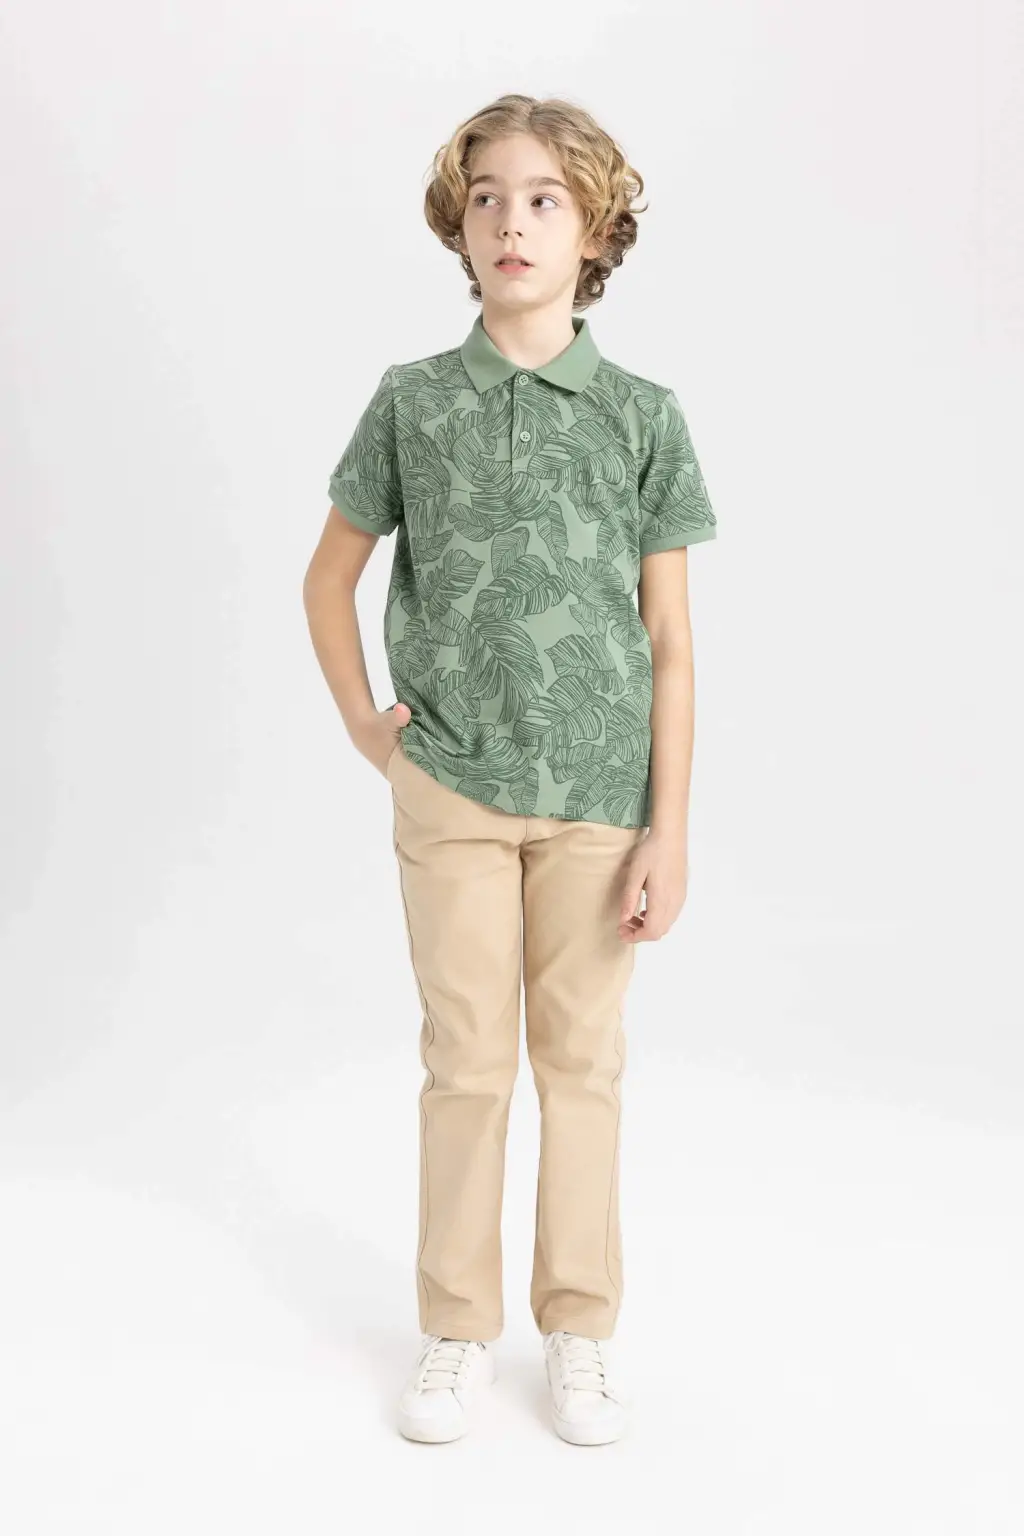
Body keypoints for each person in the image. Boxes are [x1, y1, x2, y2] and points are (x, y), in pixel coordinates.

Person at [302, 93, 717, 1446]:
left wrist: (669, 828)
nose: (511, 221)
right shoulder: (413, 402)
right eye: (486, 197)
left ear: (593, 231)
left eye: (544, 198)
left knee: (582, 1063)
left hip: (599, 799)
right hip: (452, 788)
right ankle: (457, 1330)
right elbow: (328, 577)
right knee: (467, 1061)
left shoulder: (643, 417)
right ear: (459, 225)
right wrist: (369, 727)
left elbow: (669, 641)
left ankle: (579, 1331)